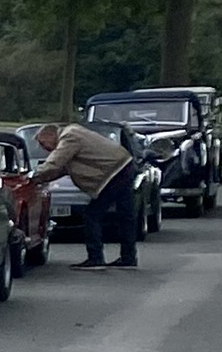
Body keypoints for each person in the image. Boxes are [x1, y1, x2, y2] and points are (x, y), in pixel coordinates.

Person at [30, 114, 146, 268]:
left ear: (50, 135)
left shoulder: (69, 137)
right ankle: (128, 257)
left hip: (113, 173)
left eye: (43, 143)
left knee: (92, 215)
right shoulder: (74, 134)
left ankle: (96, 258)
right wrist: (41, 179)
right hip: (123, 166)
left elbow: (55, 162)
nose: (44, 149)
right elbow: (61, 169)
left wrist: (33, 175)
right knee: (126, 216)